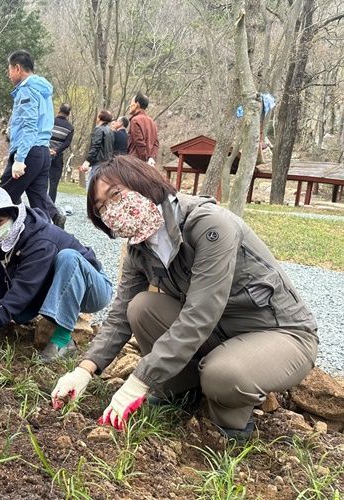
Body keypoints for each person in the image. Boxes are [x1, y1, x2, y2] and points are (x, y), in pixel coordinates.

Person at [51, 156, 318, 440]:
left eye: (115, 194)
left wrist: (140, 380)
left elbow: (200, 313)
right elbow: (119, 315)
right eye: (101, 207)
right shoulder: (139, 247)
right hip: (219, 332)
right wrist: (84, 370)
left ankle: (229, 430)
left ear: (143, 182)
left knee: (222, 375)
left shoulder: (208, 225)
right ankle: (182, 390)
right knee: (140, 308)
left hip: (278, 332)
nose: (112, 210)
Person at [0, 187, 113, 362]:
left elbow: (22, 290)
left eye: (0, 221)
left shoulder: (40, 240)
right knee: (20, 314)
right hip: (55, 287)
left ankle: (62, 340)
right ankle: (57, 316)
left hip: (93, 289)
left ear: (13, 215)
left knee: (68, 257)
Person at [1, 50, 63, 228]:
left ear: (18, 68)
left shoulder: (27, 90)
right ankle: (48, 236)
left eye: (10, 69)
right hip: (43, 152)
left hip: (28, 151)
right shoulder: (43, 91)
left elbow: (29, 126)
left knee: (4, 196)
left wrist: (20, 159)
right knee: (39, 202)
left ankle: (4, 240)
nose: (9, 74)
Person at [48, 103, 75, 203]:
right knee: (53, 183)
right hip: (57, 156)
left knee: (41, 181)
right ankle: (50, 205)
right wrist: (56, 151)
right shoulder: (70, 127)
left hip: (44, 155)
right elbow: (67, 143)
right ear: (68, 114)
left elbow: (43, 135)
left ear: (59, 111)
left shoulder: (50, 121)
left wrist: (48, 149)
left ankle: (40, 205)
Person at [79, 109, 114, 180]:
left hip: (98, 163)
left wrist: (87, 161)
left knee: (91, 186)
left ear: (100, 117)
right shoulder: (110, 131)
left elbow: (95, 147)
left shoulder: (99, 130)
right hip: (107, 163)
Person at [127, 93, 159, 166]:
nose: (130, 106)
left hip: (135, 162)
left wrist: (144, 161)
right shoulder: (152, 122)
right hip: (149, 163)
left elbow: (140, 143)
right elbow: (156, 144)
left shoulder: (135, 120)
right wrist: (151, 158)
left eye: (131, 103)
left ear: (137, 104)